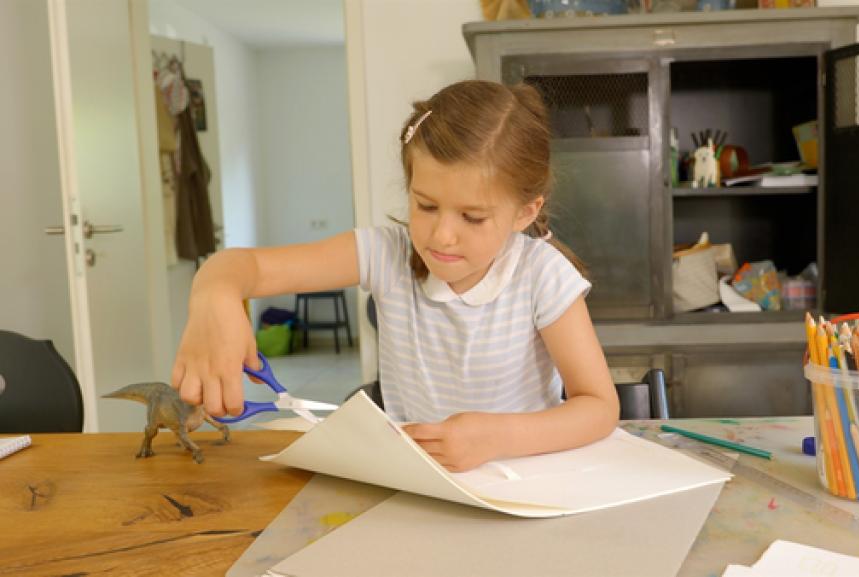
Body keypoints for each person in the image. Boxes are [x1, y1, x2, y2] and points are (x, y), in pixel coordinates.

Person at [172, 80, 619, 472]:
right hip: (415, 485)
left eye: (472, 217)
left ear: (525, 212)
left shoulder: (542, 275)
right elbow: (242, 267)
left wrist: (497, 437)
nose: (441, 235)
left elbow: (599, 407)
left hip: (525, 487)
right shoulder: (385, 254)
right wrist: (214, 295)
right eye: (426, 205)